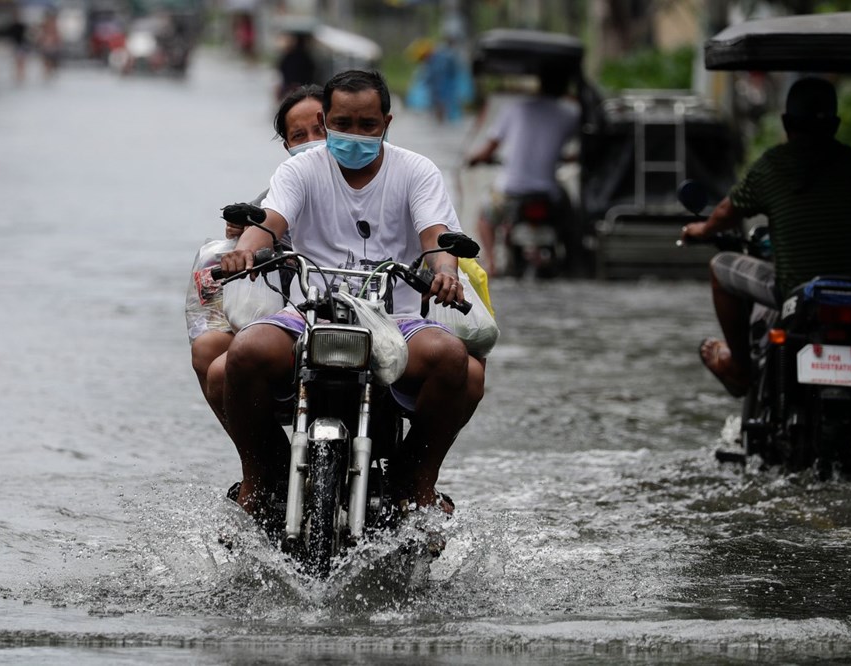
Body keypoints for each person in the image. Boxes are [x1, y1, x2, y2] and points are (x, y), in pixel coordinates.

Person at [217, 69, 485, 517]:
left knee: (451, 358)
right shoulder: (300, 168)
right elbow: (269, 223)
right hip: (309, 313)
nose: (353, 135)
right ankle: (261, 475)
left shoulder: (417, 171)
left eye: (367, 125)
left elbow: (437, 239)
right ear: (327, 120)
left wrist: (445, 273)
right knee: (244, 353)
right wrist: (244, 253)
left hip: (395, 321)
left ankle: (416, 481)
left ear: (387, 122)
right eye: (341, 124)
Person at [681, 76, 851, 397]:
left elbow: (727, 211)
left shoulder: (773, 166)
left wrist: (700, 229)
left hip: (797, 293)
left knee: (719, 267)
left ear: (785, 122)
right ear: (836, 124)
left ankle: (739, 368)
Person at [189, 85, 326, 432]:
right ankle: (266, 463)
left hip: (364, 310)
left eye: (321, 130)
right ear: (287, 147)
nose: (312, 141)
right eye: (300, 136)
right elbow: (264, 226)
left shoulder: (390, 176)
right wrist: (241, 245)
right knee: (210, 351)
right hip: (294, 310)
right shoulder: (283, 188)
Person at [466, 66, 580, 276]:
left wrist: (474, 159)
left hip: (510, 193)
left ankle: (491, 264)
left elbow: (488, 149)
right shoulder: (570, 114)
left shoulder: (515, 109)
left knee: (484, 218)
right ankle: (573, 263)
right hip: (548, 195)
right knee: (573, 222)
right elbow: (582, 143)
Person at [276, 31, 317, 101]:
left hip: (290, 86)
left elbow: (281, 68)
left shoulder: (289, 56)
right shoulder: (306, 57)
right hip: (302, 86)